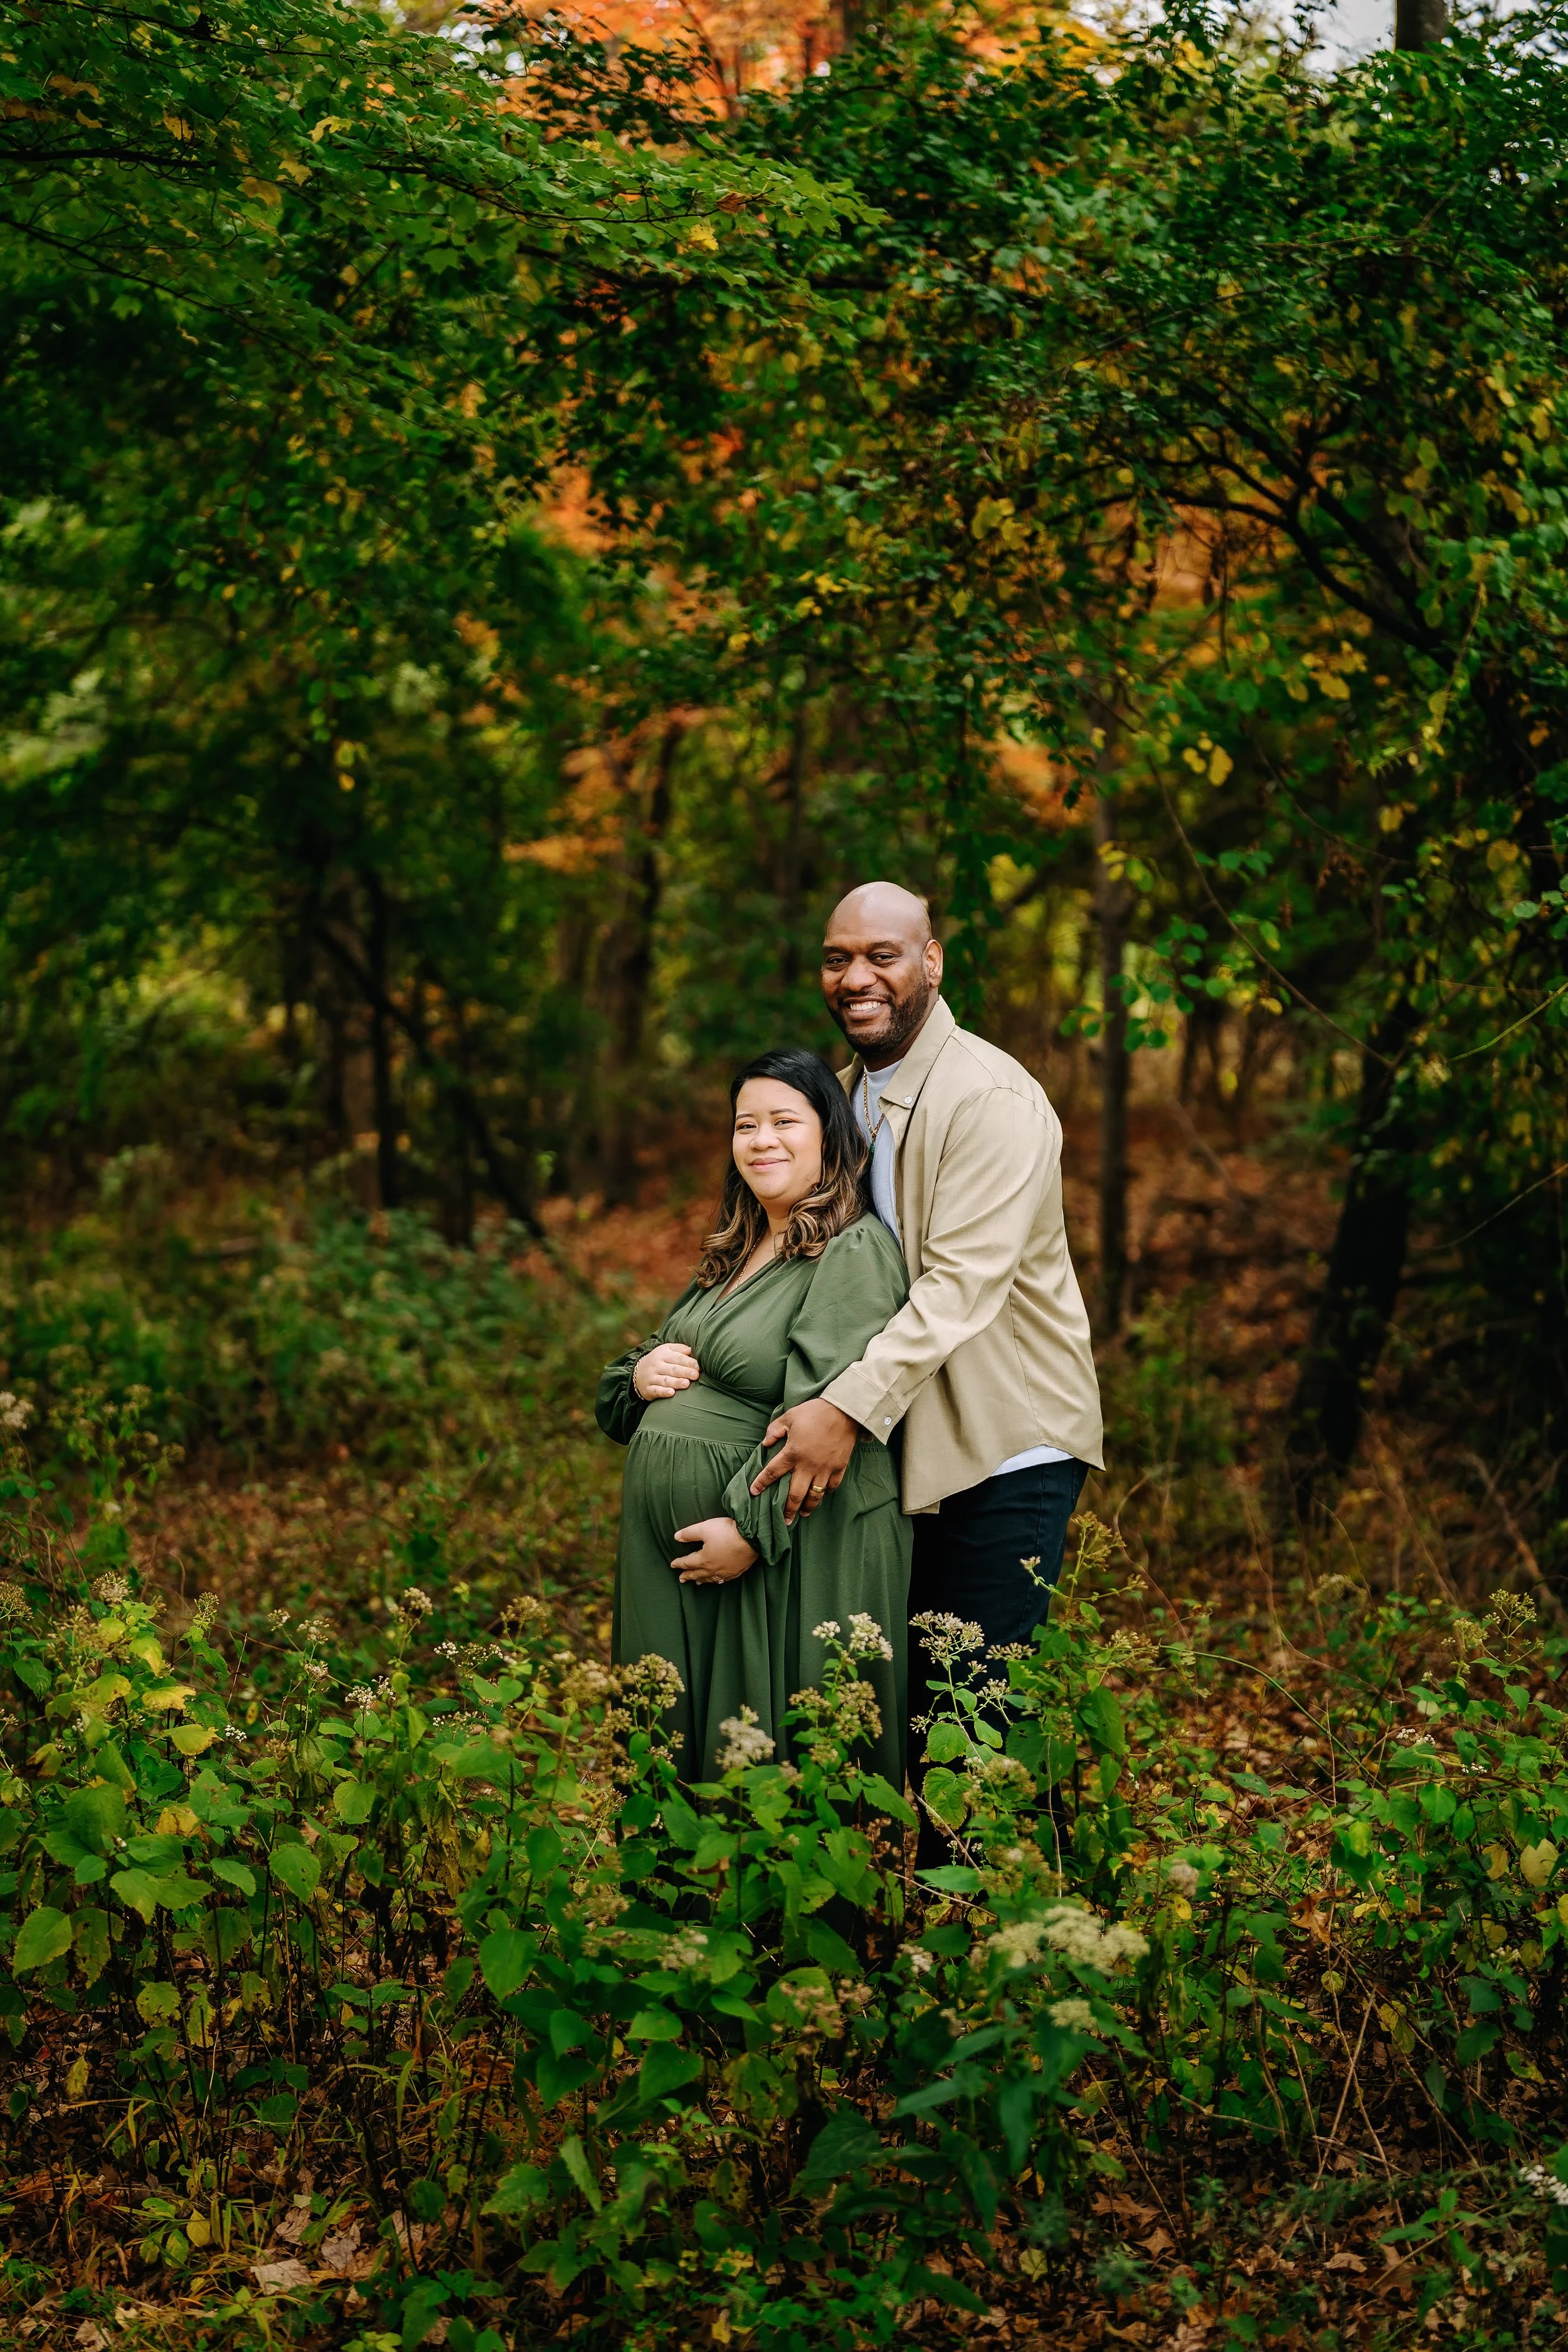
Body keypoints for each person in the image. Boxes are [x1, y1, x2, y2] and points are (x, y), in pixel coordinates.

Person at [749, 883, 1103, 1841]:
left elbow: (958, 1286)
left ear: (933, 961)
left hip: (1004, 1442)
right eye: (837, 958)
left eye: (883, 955)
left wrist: (844, 1408)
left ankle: (1029, 1946)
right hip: (910, 1441)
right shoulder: (852, 1089)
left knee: (974, 1721)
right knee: (910, 1716)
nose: (857, 977)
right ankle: (938, 1941)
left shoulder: (989, 1098)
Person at [596, 1047, 912, 1786]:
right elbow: (626, 1386)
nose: (761, 1140)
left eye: (783, 1121)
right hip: (678, 1556)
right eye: (745, 1125)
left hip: (774, 1549)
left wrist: (747, 1528)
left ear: (829, 1136)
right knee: (666, 1760)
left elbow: (822, 1421)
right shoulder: (740, 1249)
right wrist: (638, 1377)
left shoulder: (852, 1250)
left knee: (770, 1773)